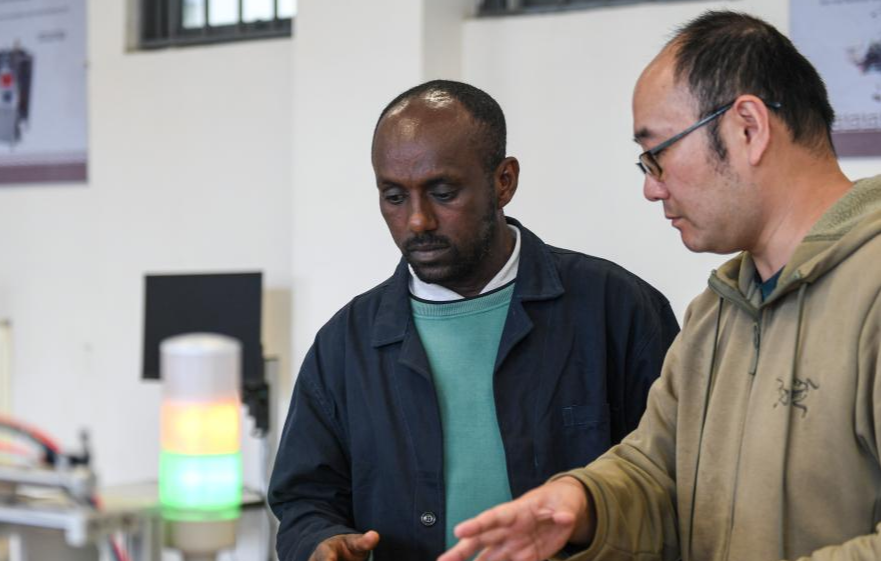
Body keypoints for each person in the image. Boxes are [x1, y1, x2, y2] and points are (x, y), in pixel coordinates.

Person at [439, 11, 881, 561]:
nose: (651, 188)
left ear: (748, 127)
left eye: (658, 154)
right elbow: (656, 469)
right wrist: (579, 502)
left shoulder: (871, 289)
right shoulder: (717, 316)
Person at [268, 80, 680, 561]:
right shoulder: (345, 344)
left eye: (443, 192)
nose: (417, 220)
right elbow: (304, 501)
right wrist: (321, 543)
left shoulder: (617, 308)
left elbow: (674, 480)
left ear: (504, 181)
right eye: (394, 197)